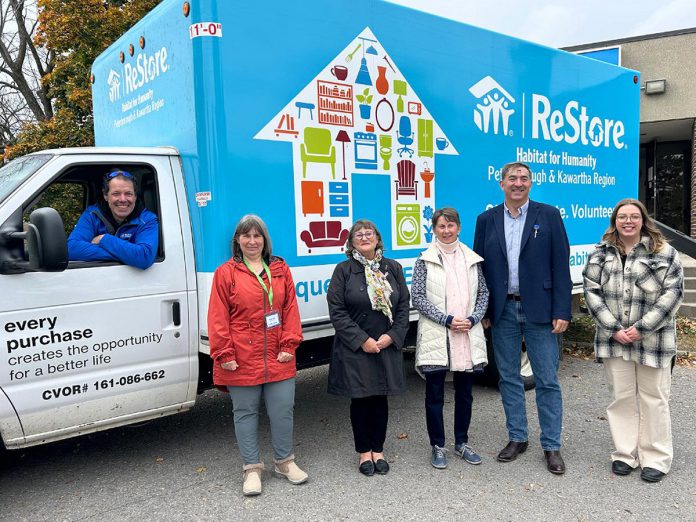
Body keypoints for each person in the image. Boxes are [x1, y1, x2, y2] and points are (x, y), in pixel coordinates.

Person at [473, 161, 572, 475]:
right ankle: (518, 437)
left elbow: (561, 264)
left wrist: (562, 310)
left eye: (524, 178)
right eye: (512, 178)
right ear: (501, 183)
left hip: (541, 309)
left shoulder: (549, 215)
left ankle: (551, 445)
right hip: (503, 310)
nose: (518, 183)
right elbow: (481, 271)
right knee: (509, 378)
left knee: (546, 379)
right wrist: (485, 310)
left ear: (531, 183)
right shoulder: (486, 220)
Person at [583, 198, 683, 483]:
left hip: (654, 340)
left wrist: (641, 328)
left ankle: (656, 457)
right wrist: (613, 328)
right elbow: (591, 292)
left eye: (634, 217)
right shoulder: (600, 254)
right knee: (621, 398)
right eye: (622, 217)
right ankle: (625, 454)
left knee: (655, 399)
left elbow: (673, 295)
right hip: (613, 339)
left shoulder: (664, 252)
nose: (628, 221)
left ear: (643, 221)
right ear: (614, 221)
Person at [207, 214, 307, 496]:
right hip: (240, 355)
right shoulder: (225, 273)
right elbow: (217, 317)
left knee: (282, 410)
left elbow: (289, 310)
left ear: (265, 240)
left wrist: (289, 344)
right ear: (237, 240)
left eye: (257, 236)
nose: (252, 241)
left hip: (278, 353)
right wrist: (223, 352)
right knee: (245, 413)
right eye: (246, 236)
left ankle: (285, 462)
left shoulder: (279, 269)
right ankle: (252, 468)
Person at [327, 219, 410, 476]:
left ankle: (379, 449)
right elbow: (337, 310)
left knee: (380, 398)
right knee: (361, 400)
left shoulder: (392, 268)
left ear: (377, 238)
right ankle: (364, 452)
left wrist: (393, 336)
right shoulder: (343, 270)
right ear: (351, 242)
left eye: (369, 233)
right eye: (359, 235)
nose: (365, 237)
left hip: (385, 344)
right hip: (356, 347)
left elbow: (404, 306)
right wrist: (362, 340)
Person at [412, 207, 489, 469]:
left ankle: (462, 443)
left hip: (467, 333)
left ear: (459, 228)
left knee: (465, 394)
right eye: (441, 226)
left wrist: (474, 318)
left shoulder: (472, 258)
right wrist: (446, 319)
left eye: (451, 226)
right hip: (438, 334)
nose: (446, 231)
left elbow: (484, 294)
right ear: (434, 229)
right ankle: (438, 446)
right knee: (434, 394)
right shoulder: (425, 259)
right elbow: (418, 297)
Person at [67, 169, 158, 269]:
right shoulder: (92, 214)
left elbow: (144, 257)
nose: (123, 199)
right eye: (116, 194)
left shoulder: (148, 219)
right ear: (106, 196)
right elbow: (71, 249)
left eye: (128, 194)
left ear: (135, 196)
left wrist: (104, 239)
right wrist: (128, 254)